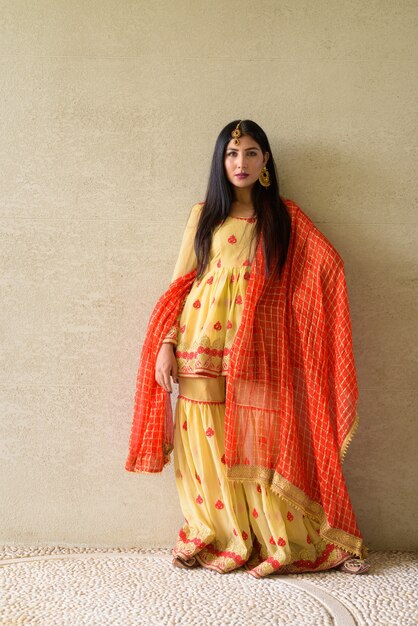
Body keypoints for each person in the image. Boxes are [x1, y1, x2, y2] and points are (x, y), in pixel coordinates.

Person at [125, 119, 370, 577]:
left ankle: (294, 540)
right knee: (201, 438)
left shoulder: (285, 217)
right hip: (199, 340)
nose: (241, 162)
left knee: (261, 443)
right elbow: (180, 285)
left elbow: (327, 268)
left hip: (256, 346)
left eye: (251, 153)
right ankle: (209, 533)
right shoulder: (204, 215)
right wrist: (166, 343)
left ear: (266, 163)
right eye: (232, 153)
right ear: (221, 162)